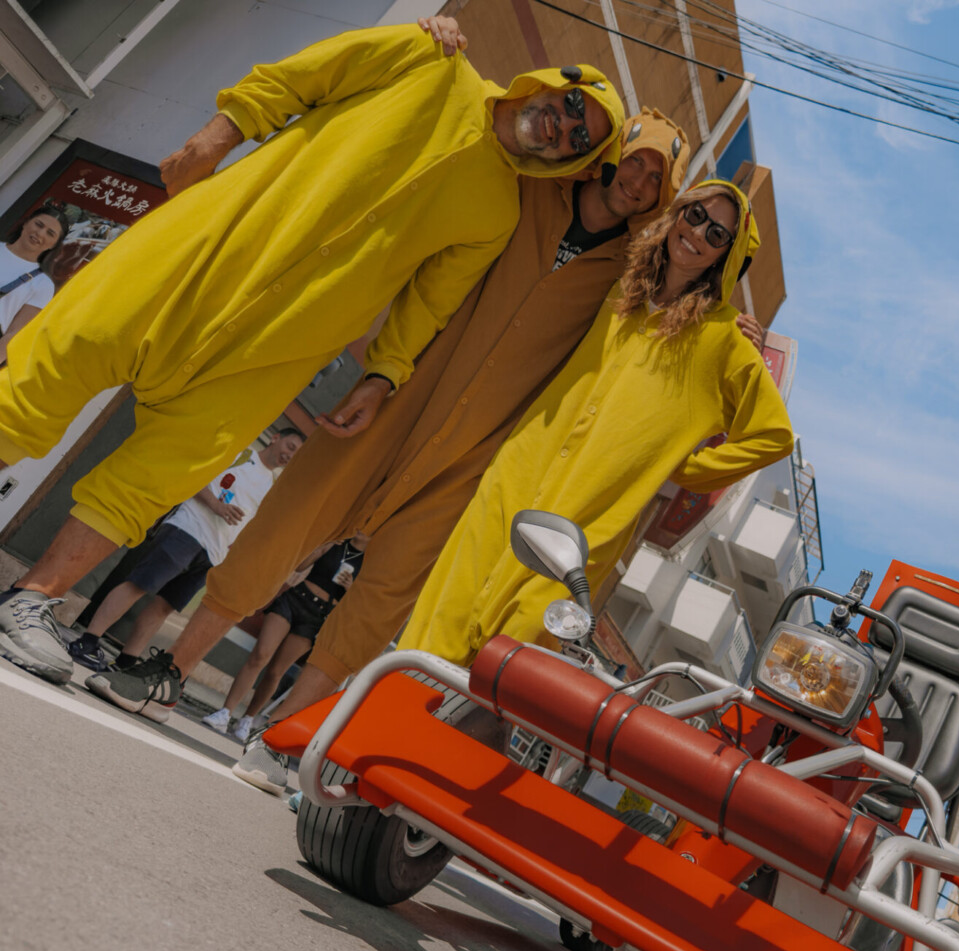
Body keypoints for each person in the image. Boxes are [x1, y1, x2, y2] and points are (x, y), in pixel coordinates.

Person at [0, 19, 624, 686]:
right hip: (199, 255)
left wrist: (381, 376)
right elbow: (299, 78)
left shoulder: (497, 212)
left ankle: (30, 601)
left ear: (572, 162)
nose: (562, 125)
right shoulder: (430, 60)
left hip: (281, 345)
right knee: (42, 377)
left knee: (158, 474)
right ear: (546, 85)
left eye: (580, 136)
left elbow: (427, 305)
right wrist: (216, 134)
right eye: (567, 104)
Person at [88, 108, 695, 731]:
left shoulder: (627, 280)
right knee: (280, 527)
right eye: (639, 162)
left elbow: (676, 322)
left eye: (657, 180)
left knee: (382, 598)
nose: (641, 182)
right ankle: (172, 672)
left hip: (472, 455)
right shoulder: (530, 189)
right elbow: (478, 124)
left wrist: (735, 327)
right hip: (393, 396)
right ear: (613, 156)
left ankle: (287, 734)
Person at [244, 180, 793, 791]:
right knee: (436, 629)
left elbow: (773, 436)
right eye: (695, 215)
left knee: (506, 661)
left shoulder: (722, 340)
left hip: (582, 528)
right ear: (676, 215)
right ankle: (340, 760)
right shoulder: (621, 293)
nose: (699, 234)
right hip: (516, 479)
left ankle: (406, 789)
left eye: (718, 233)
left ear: (727, 255)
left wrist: (688, 470)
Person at [65, 430, 303, 698]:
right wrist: (216, 505)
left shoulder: (271, 487)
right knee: (138, 585)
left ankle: (124, 663)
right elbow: (196, 477)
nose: (289, 454)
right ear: (275, 438)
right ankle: (86, 642)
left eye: (295, 453)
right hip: (187, 530)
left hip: (214, 554)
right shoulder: (239, 454)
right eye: (290, 445)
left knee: (164, 606)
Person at [201, 535, 366, 743]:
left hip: (317, 616)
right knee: (260, 655)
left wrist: (350, 588)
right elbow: (300, 567)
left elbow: (358, 605)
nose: (364, 528)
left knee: (276, 671)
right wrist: (322, 547)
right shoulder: (337, 543)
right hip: (296, 598)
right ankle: (224, 712)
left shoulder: (367, 564)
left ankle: (247, 719)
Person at [0, 205, 68, 360]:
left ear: (53, 245)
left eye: (50, 233)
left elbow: (13, 335)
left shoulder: (42, 284)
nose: (40, 233)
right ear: (26, 223)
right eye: (39, 224)